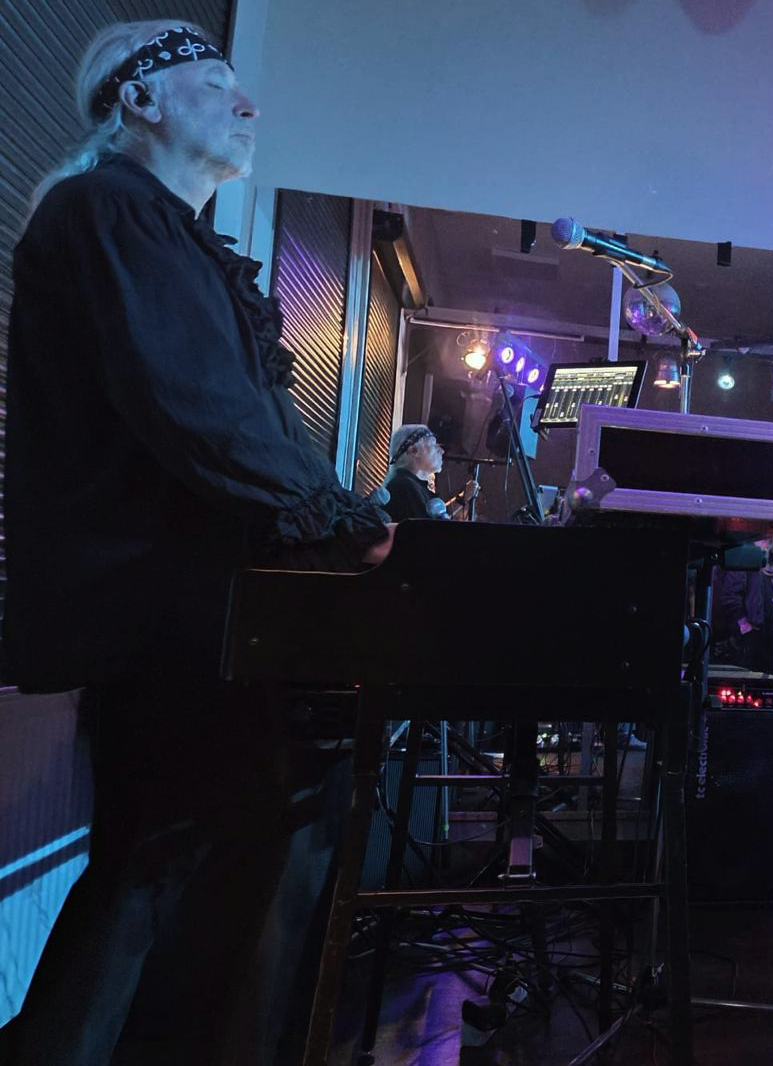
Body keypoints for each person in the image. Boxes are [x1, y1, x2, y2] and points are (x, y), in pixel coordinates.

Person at [0, 21, 394, 1065]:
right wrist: (345, 524)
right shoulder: (111, 209)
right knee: (164, 869)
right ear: (139, 100)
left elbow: (238, 421)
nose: (248, 104)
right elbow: (194, 407)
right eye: (217, 82)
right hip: (173, 614)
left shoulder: (152, 229)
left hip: (196, 607)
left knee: (174, 867)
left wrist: (335, 515)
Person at [382, 423, 479, 522]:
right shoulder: (403, 486)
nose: (441, 451)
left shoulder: (410, 485)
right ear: (414, 450)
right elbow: (428, 528)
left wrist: (461, 499)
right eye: (434, 445)